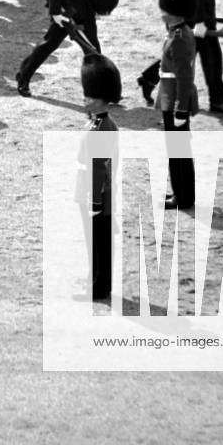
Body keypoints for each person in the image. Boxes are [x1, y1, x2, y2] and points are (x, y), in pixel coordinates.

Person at [155, 0, 198, 210]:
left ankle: (182, 197)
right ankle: (183, 193)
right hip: (170, 96)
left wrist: (181, 110)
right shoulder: (178, 32)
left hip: (174, 100)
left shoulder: (179, 38)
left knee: (177, 151)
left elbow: (184, 77)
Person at [80, 51, 120, 300]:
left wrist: (94, 201)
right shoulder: (103, 123)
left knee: (98, 240)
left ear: (101, 99)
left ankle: (99, 285)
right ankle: (98, 281)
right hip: (101, 191)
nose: (85, 99)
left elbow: (98, 168)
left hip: (98, 194)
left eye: (90, 96)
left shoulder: (101, 128)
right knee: (98, 239)